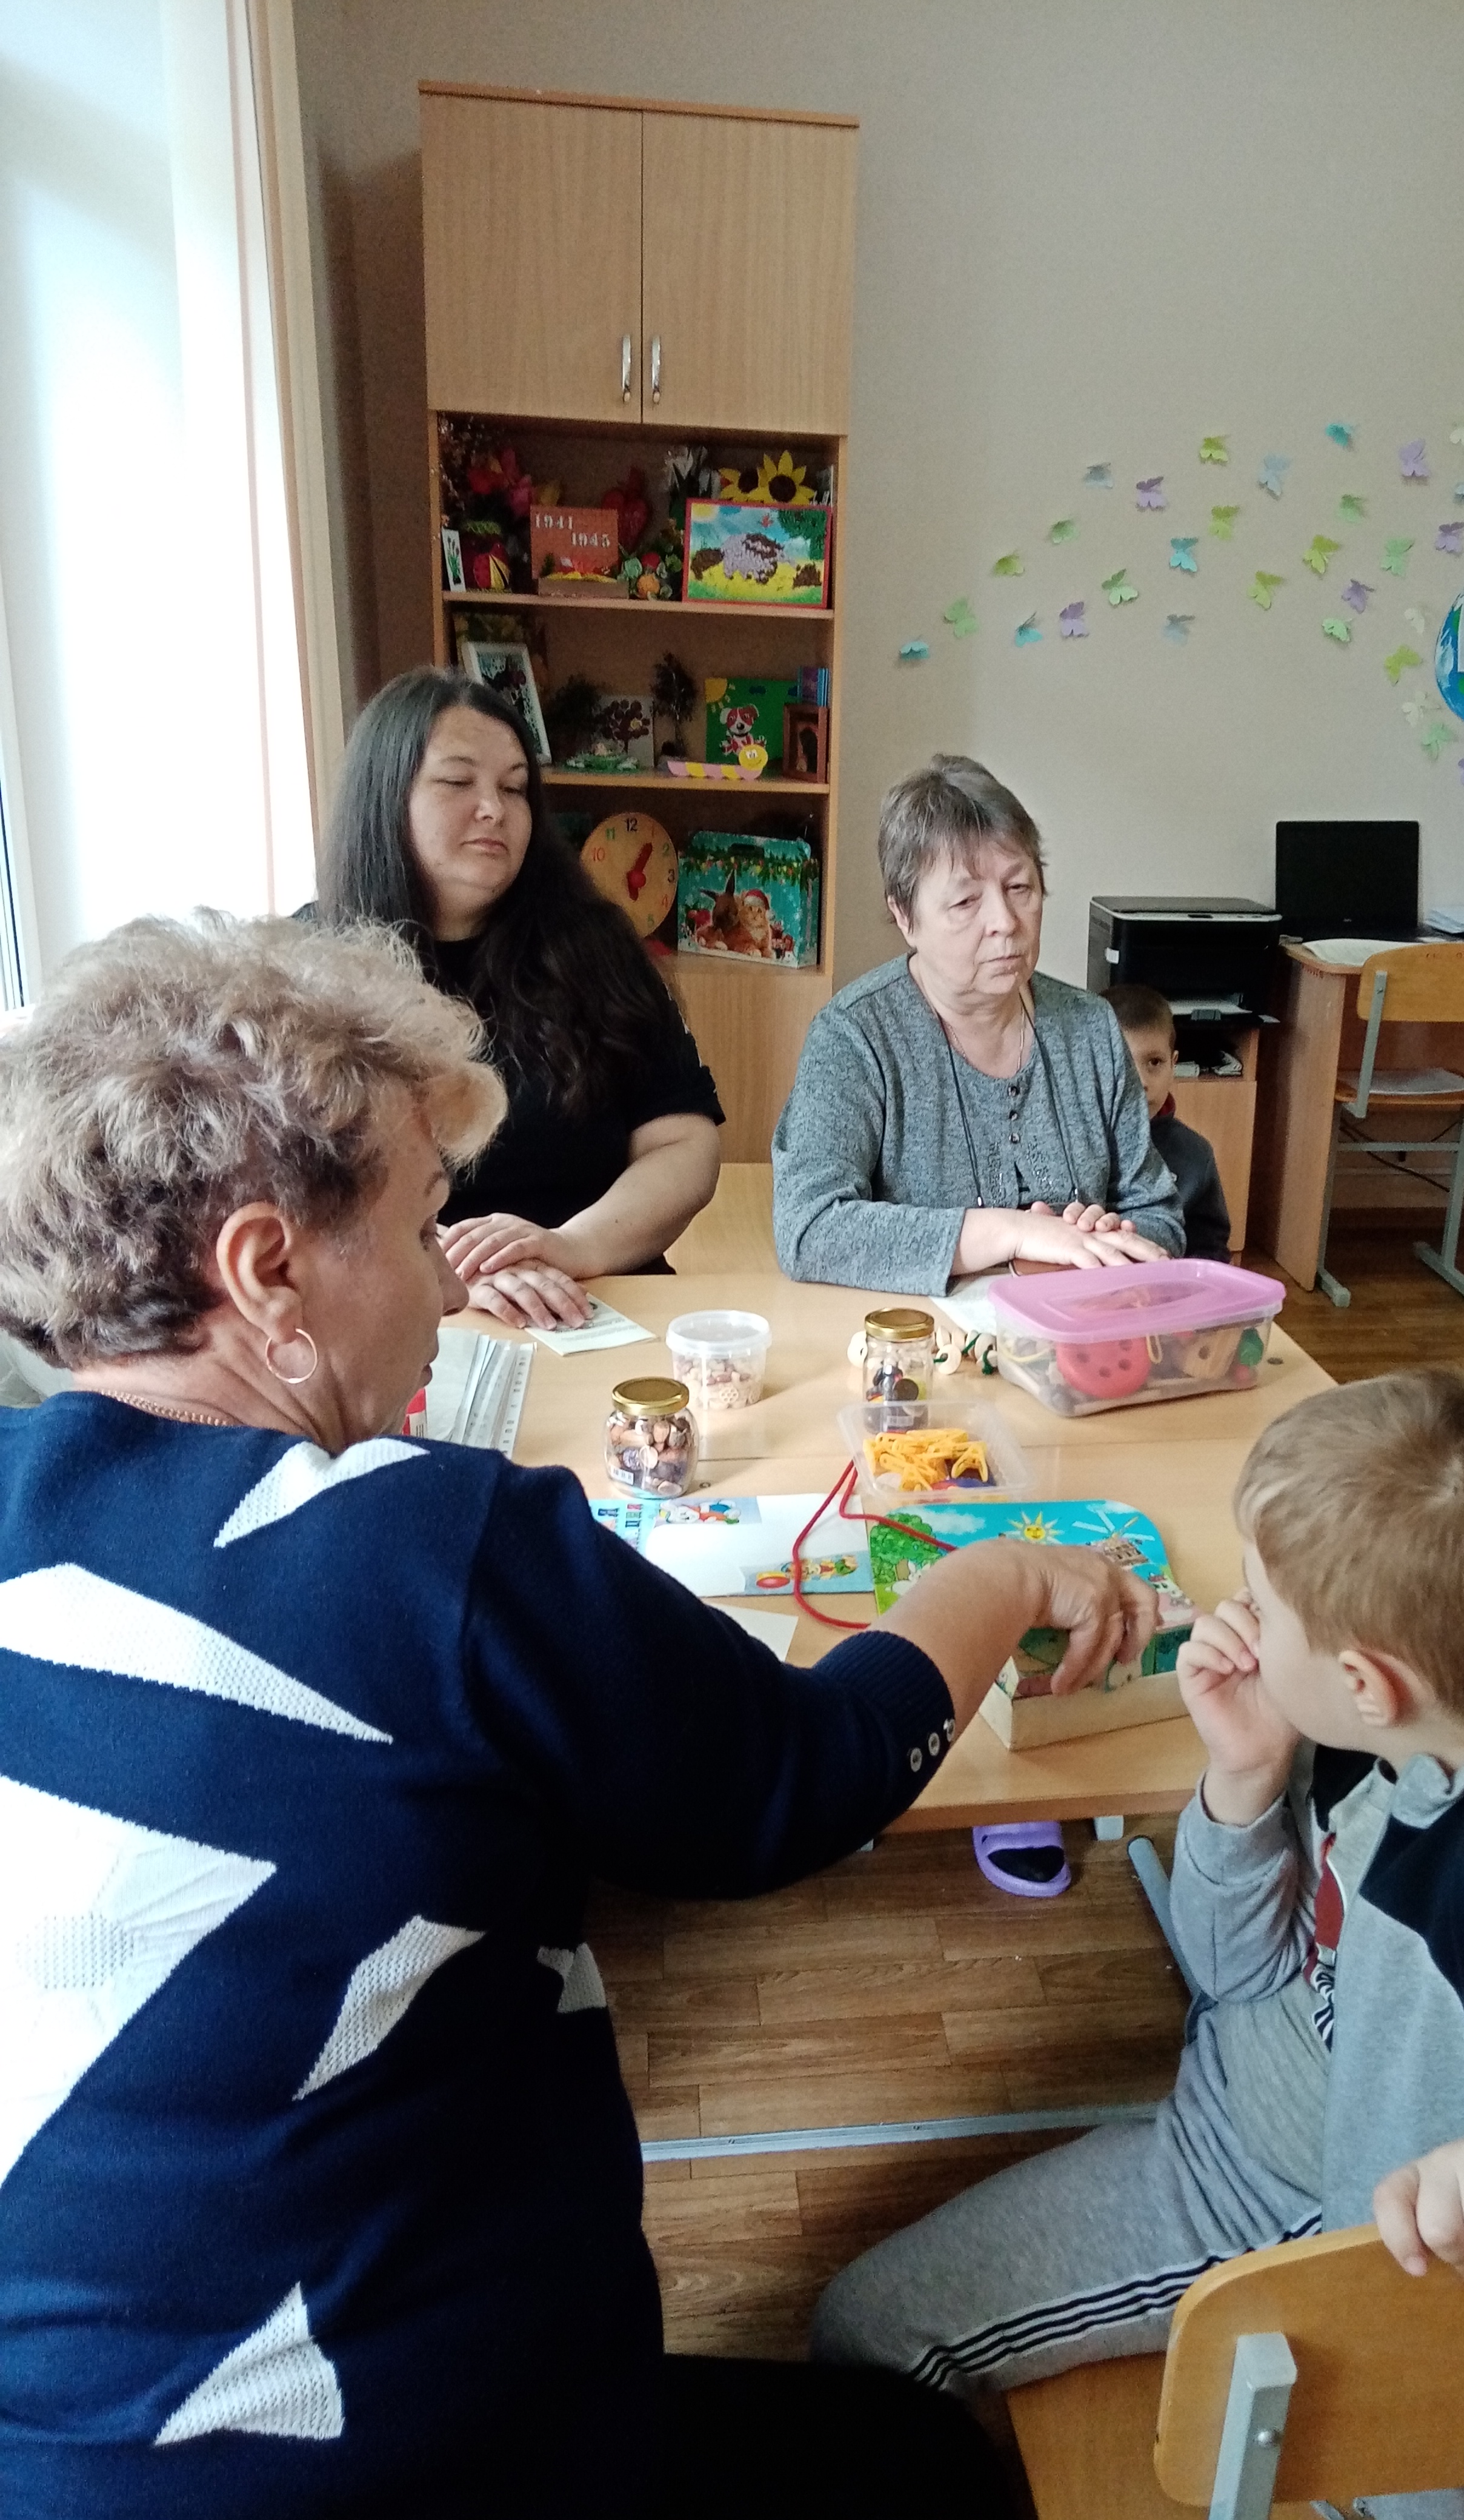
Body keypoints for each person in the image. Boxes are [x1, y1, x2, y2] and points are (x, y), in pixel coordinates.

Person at [0, 911, 1156, 2519]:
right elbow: (797, 1785)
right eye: (422, 1229)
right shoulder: (429, 1542)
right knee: (931, 2470)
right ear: (267, 1273)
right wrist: (1008, 1574)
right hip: (390, 2467)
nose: (443, 1286)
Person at [811, 1368, 1464, 2512]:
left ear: (1369, 1681)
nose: (1235, 1617)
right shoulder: (1390, 1734)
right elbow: (1235, 1976)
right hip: (1246, 2118)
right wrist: (1242, 1780)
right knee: (867, 2329)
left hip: (1285, 2212)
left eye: (1262, 1605)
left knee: (870, 2336)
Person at [319, 666, 722, 1330]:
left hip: (595, 1299)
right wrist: (446, 1271)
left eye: (513, 788)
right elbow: (284, 1194)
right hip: (406, 1318)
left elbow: (683, 1142)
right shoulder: (308, 971)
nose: (494, 808)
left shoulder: (596, 947)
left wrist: (572, 1247)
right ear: (384, 796)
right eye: (458, 782)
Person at [772, 755, 1185, 1294]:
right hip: (919, 1338)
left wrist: (1110, 1236)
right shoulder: (855, 1037)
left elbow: (1158, 1213)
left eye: (1020, 888)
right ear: (905, 916)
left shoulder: (1091, 1030)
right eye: (967, 900)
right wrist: (1013, 1233)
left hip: (1069, 1331)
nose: (1005, 923)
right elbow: (810, 1229)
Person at [1105, 981, 1232, 1261]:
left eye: (1154, 1062)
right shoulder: (1075, 1143)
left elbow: (1210, 1247)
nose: (1141, 1082)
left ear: (1174, 1064)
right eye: (1123, 1063)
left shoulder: (1196, 1154)